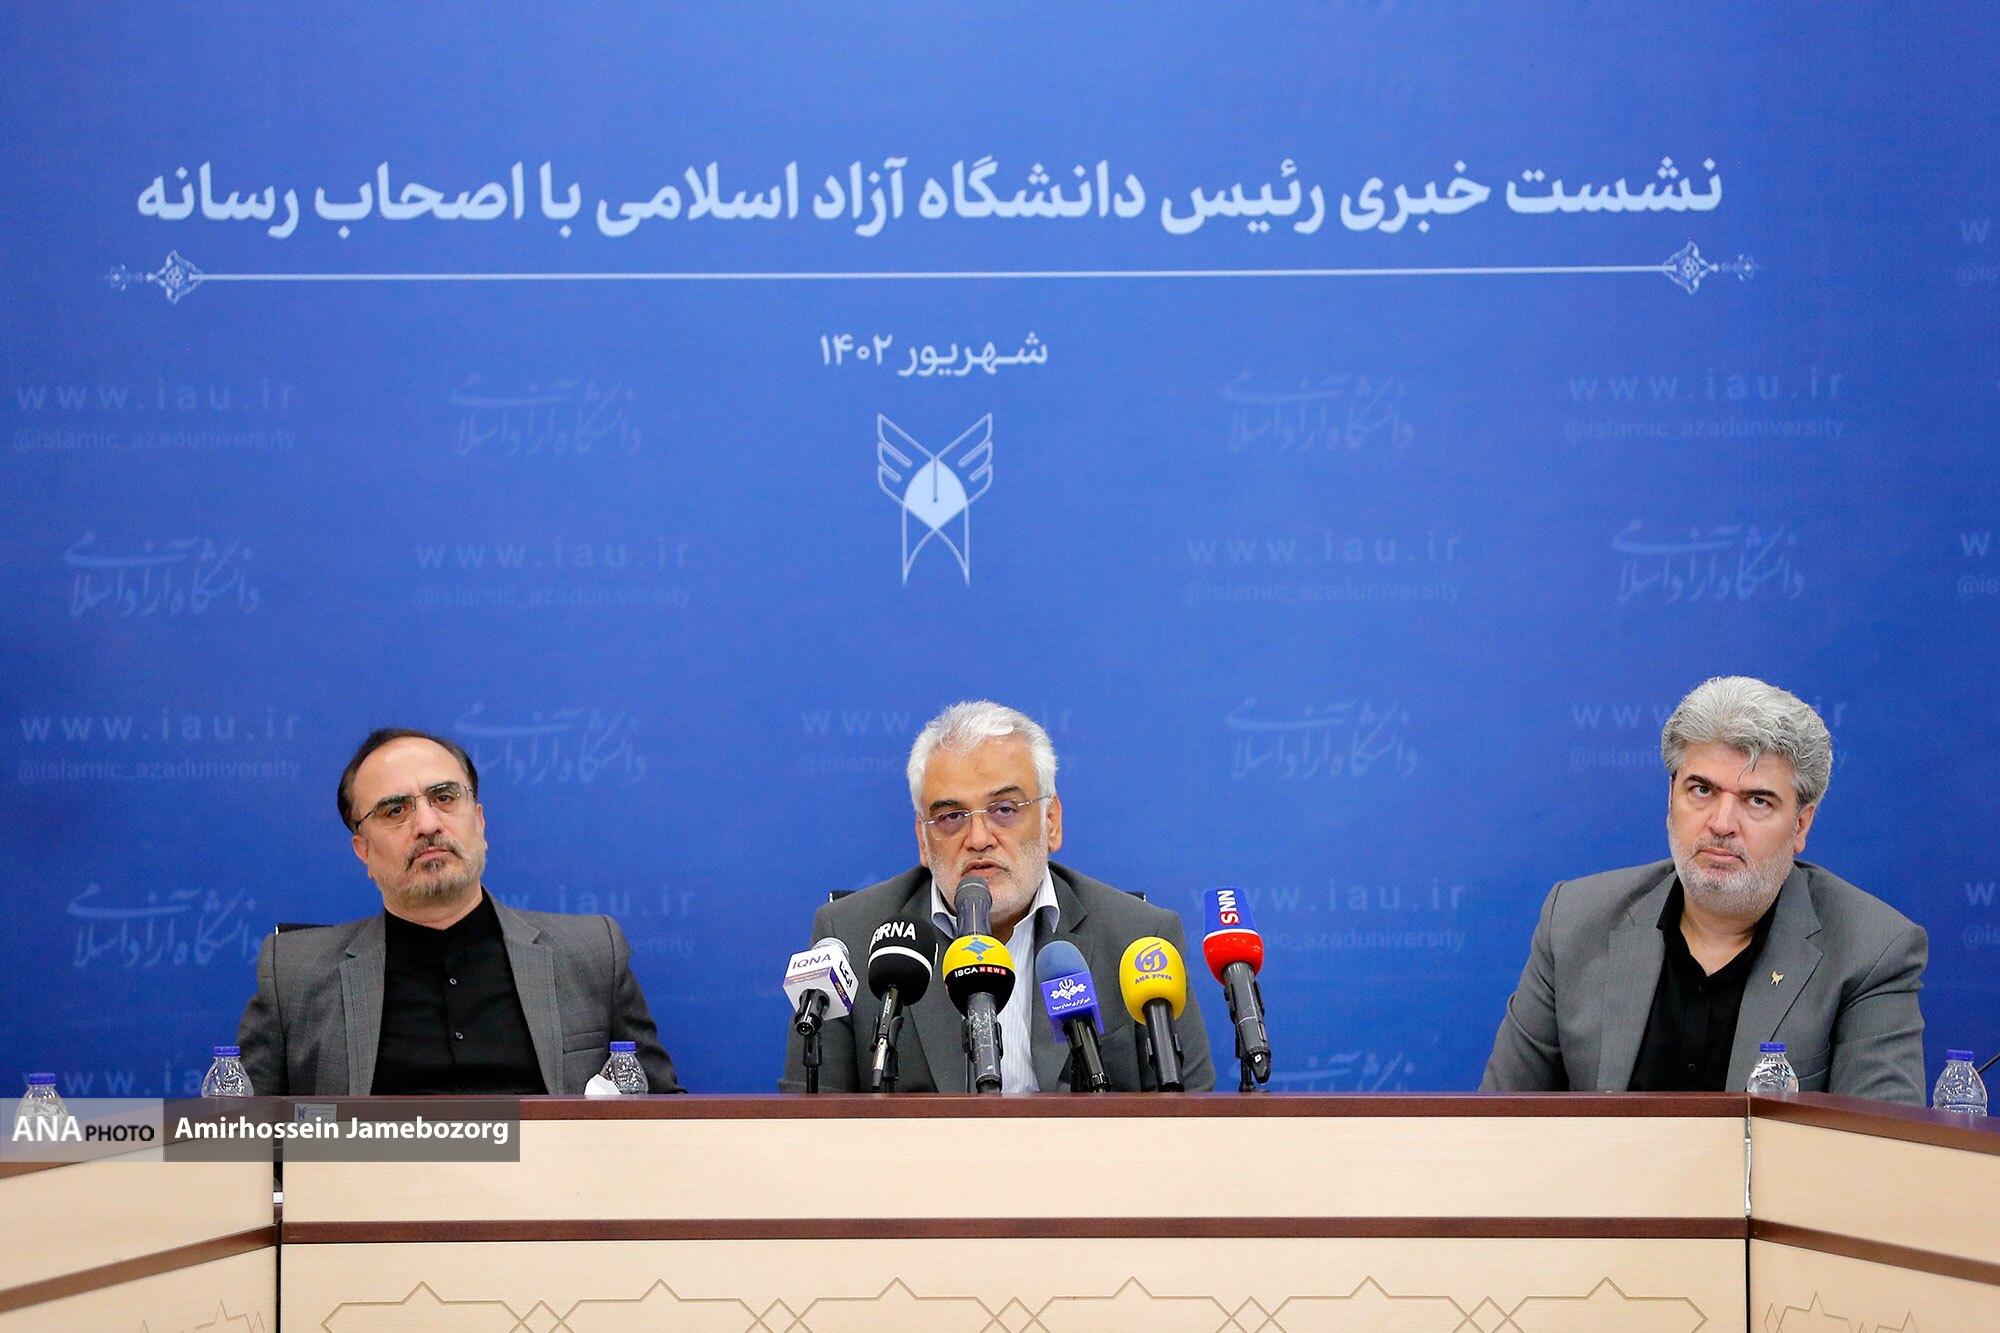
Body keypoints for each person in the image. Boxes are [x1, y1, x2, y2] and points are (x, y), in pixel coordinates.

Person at [1482, 676, 1926, 1103]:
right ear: (1671, 797)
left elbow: (1879, 1146)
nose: (1722, 823)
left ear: (1801, 825)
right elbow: (1496, 1124)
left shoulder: (1869, 951)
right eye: (1702, 790)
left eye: (1757, 800)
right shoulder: (1575, 922)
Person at [781, 701, 1213, 1092]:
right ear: (923, 840)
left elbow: (1191, 1119)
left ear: (1051, 821)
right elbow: (809, 1124)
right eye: (951, 816)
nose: (978, 838)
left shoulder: (1139, 939)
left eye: (1005, 810)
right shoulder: (851, 937)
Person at [236, 728, 680, 1094]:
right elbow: (240, 1139)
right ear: (363, 850)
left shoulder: (592, 953)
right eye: (395, 810)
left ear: (479, 822)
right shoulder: (294, 974)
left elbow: (667, 1122)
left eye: (445, 797)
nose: (428, 824)